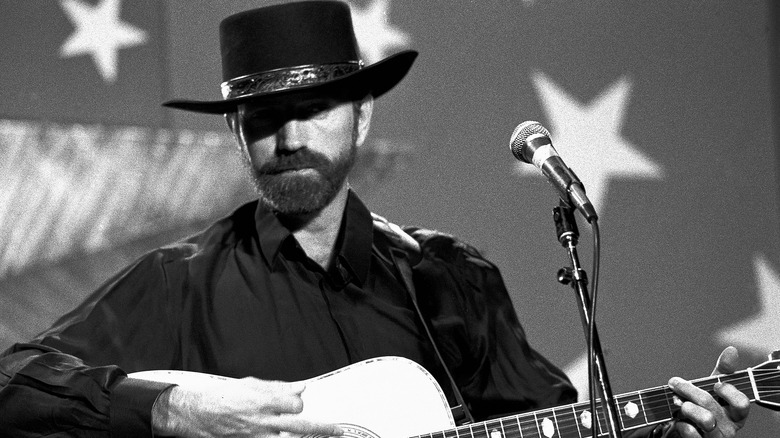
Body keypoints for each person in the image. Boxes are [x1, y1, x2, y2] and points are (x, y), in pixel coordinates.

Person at [0, 2, 750, 437]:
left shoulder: (452, 280)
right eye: (263, 118)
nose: (289, 138)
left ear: (361, 117)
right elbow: (12, 381)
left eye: (313, 110)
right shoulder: (177, 284)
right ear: (235, 134)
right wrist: (170, 406)